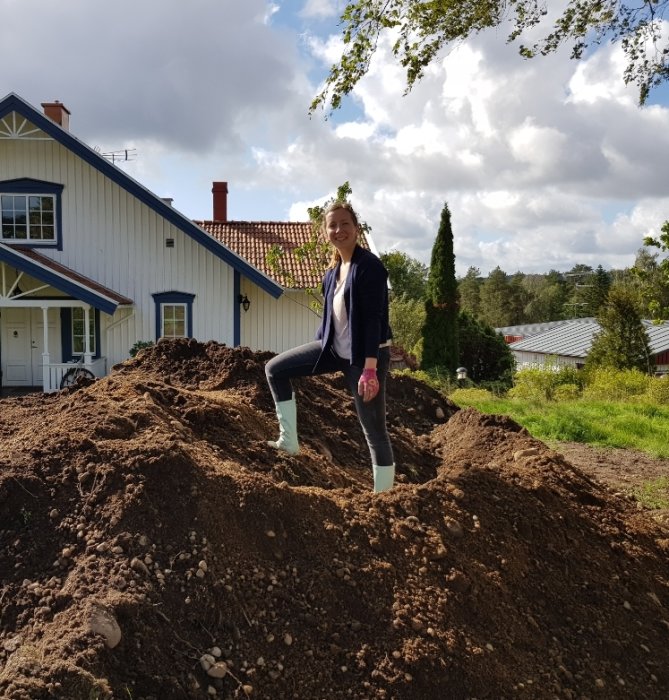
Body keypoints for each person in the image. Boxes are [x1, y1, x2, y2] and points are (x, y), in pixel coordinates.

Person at [265, 200, 395, 493]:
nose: (339, 230)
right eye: (332, 225)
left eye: (344, 224)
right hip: (333, 350)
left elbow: (374, 319)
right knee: (275, 369)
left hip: (365, 359)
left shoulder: (369, 267)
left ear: (356, 229)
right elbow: (333, 319)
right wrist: (320, 346)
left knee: (373, 430)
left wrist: (371, 370)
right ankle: (289, 441)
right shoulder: (332, 273)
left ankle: (385, 497)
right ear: (326, 233)